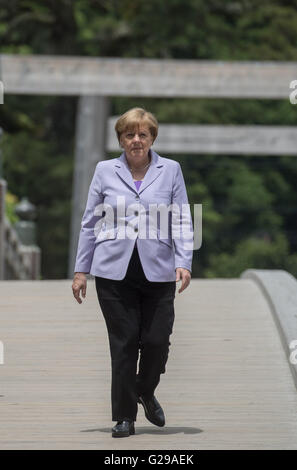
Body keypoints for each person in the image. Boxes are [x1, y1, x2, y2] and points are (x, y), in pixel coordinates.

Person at [72, 107, 193, 438]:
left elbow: (182, 217)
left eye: (143, 134)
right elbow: (90, 222)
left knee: (156, 341)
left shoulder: (171, 170)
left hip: (158, 269)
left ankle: (144, 388)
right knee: (123, 344)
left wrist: (184, 261)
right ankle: (124, 417)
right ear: (121, 139)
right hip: (113, 272)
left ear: (152, 137)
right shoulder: (104, 170)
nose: (136, 140)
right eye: (129, 135)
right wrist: (81, 270)